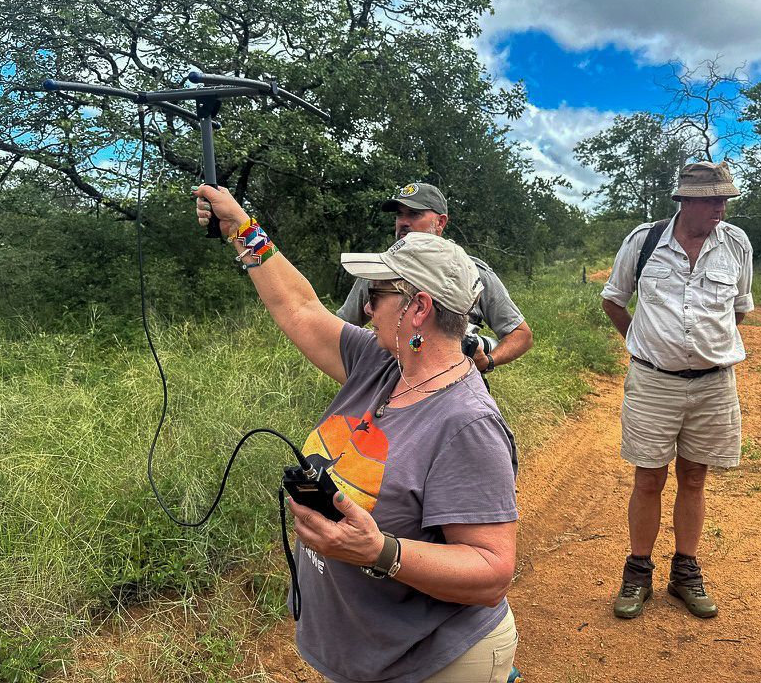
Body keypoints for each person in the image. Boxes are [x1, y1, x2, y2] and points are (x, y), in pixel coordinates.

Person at [193, 185, 519, 683]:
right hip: (364, 654)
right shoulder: (379, 361)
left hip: (434, 663)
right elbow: (300, 308)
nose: (366, 309)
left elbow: (492, 571)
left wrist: (380, 553)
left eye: (377, 295)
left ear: (419, 308)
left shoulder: (466, 423)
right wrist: (242, 227)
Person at [600, 161, 753, 620]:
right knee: (648, 477)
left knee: (694, 477)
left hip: (713, 384)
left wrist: (703, 347)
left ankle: (685, 572)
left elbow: (738, 309)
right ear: (685, 201)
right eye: (712, 200)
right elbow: (613, 298)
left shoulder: (737, 243)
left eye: (725, 199)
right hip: (653, 382)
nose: (721, 208)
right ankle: (638, 573)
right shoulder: (643, 241)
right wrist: (642, 342)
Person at [337, 182, 533, 375]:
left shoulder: (472, 271)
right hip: (387, 389)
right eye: (399, 214)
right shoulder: (378, 270)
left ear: (440, 222)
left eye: (414, 214)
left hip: (452, 391)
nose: (403, 222)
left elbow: (521, 335)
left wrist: (488, 361)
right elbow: (341, 328)